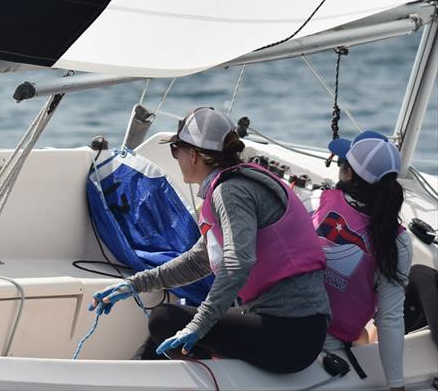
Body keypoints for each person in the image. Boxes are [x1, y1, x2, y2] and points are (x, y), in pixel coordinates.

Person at [90, 107, 330, 373]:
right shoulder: (233, 184)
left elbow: (237, 262)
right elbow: (199, 261)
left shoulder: (230, 192)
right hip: (289, 327)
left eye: (175, 150)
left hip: (290, 335)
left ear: (192, 155)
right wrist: (135, 284)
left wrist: (199, 325)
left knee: (164, 320)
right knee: (166, 330)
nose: (176, 157)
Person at [312, 131, 412, 391]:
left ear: (348, 174)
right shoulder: (397, 241)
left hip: (287, 325)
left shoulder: (316, 202)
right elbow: (390, 319)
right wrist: (397, 385)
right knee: (366, 333)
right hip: (334, 347)